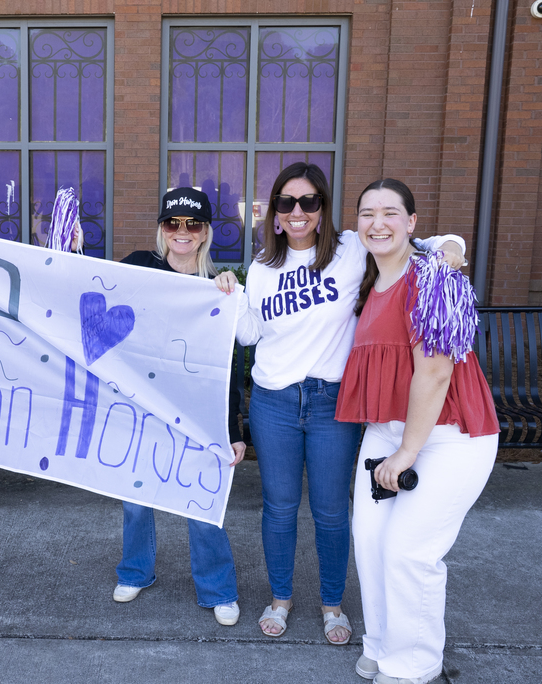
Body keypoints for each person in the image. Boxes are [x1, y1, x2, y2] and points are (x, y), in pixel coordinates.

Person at [216, 163, 465, 643]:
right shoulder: (264, 268)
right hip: (273, 401)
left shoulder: (352, 248)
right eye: (286, 203)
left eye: (309, 202)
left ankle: (332, 604)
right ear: (274, 212)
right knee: (280, 506)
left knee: (331, 510)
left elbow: (431, 242)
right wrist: (230, 291)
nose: (297, 212)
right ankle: (281, 598)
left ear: (323, 208)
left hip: (333, 400)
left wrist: (452, 248)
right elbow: (249, 332)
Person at [336, 179, 498, 684]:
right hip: (388, 431)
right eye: (366, 213)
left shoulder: (431, 277)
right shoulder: (370, 276)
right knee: (370, 540)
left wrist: (408, 451)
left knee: (409, 550)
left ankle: (415, 665)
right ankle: (382, 644)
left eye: (390, 213)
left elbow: (435, 372)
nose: (377, 223)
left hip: (451, 435)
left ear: (411, 223)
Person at [113, 186, 246, 626]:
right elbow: (89, 286)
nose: (182, 233)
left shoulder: (218, 288)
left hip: (197, 412)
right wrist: (69, 246)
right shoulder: (137, 266)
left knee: (202, 501)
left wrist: (234, 432)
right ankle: (136, 571)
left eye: (193, 225)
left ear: (206, 231)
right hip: (141, 405)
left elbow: (228, 367)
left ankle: (218, 589)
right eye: (173, 224)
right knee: (135, 497)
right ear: (162, 229)